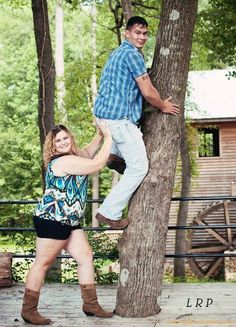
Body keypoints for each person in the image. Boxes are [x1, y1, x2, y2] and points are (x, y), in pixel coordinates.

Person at [93, 16, 180, 230]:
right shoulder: (132, 55)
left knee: (128, 152)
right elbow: (148, 92)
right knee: (139, 168)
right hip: (119, 121)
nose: (142, 37)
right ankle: (108, 212)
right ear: (127, 33)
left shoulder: (118, 53)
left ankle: (115, 155)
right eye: (137, 33)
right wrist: (163, 106)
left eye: (145, 33)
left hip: (103, 118)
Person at [21, 124, 113, 325]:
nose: (63, 142)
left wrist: (98, 136)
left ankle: (90, 304)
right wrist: (109, 137)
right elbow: (96, 163)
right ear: (52, 146)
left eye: (65, 138)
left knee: (85, 256)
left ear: (70, 138)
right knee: (42, 263)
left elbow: (88, 152)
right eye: (58, 141)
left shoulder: (74, 155)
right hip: (52, 219)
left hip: (69, 220)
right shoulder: (62, 161)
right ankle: (28, 310)